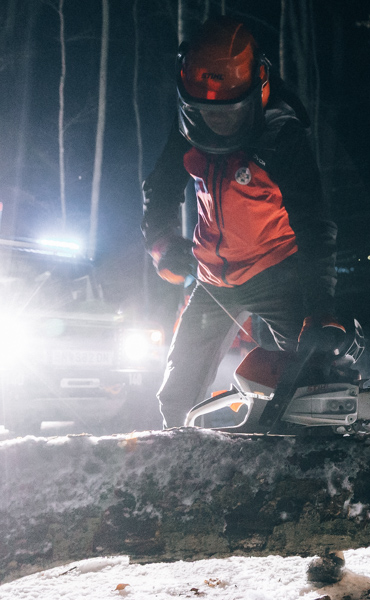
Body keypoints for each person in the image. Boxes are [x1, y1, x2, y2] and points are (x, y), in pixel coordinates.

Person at [141, 16, 349, 428]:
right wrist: (163, 245)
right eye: (208, 111)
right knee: (177, 396)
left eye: (229, 112)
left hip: (277, 273)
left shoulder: (281, 136)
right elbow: (160, 189)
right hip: (213, 280)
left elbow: (314, 224)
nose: (218, 121)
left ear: (258, 85)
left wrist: (321, 307)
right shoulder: (190, 129)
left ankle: (317, 446)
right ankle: (180, 464)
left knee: (314, 381)